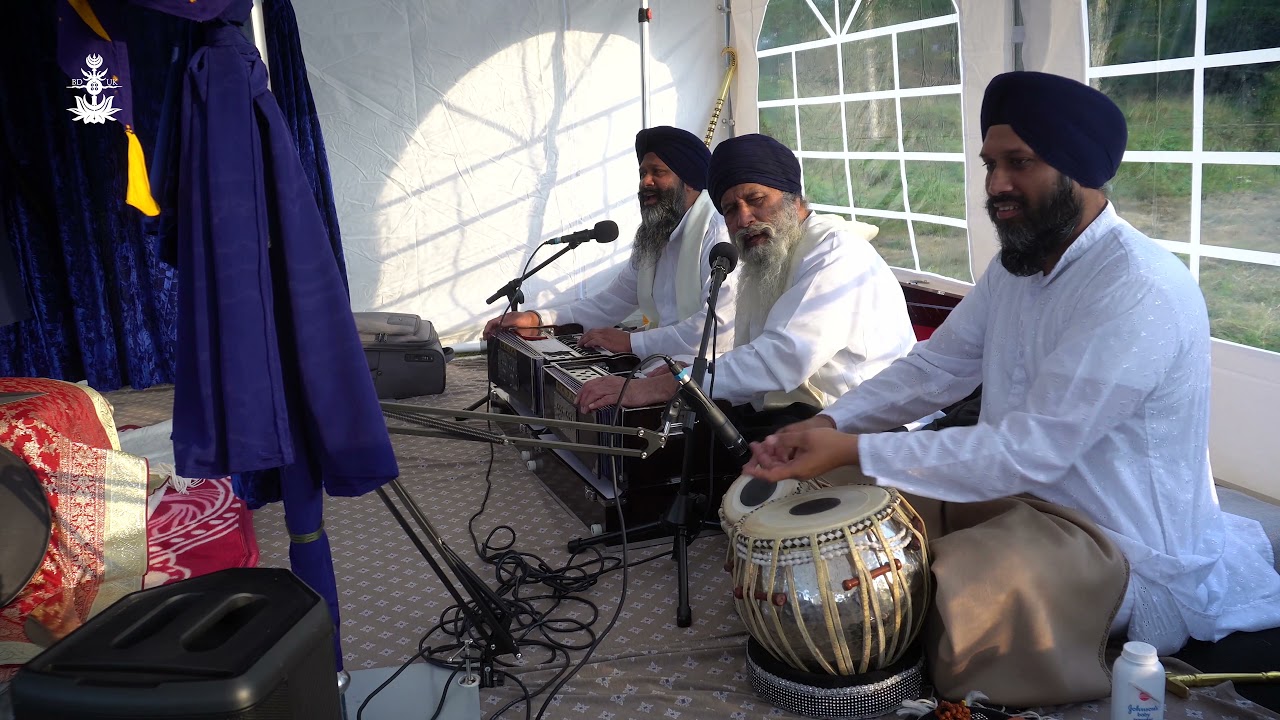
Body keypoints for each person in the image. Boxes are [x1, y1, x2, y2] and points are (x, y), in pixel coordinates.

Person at [744, 71, 1280, 705]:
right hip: (1017, 498)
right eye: (990, 163)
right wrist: (836, 424)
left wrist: (859, 448)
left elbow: (1031, 448)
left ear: (1079, 169)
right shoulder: (1016, 267)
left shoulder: (1138, 289)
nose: (996, 185)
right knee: (830, 503)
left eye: (1018, 163)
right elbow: (935, 369)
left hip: (1119, 546)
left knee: (963, 583)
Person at [574, 133, 916, 437]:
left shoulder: (834, 253)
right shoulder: (766, 260)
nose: (743, 219)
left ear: (794, 200)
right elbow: (754, 354)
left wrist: (661, 387)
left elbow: (782, 358)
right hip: (799, 414)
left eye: (756, 200)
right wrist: (685, 373)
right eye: (730, 209)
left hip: (864, 426)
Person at [482, 126, 734, 358]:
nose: (645, 182)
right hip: (660, 360)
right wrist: (538, 318)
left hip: (710, 374)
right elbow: (611, 301)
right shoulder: (653, 237)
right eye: (642, 173)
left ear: (689, 181)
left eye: (658, 172)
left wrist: (632, 343)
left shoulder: (718, 233)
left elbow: (716, 330)